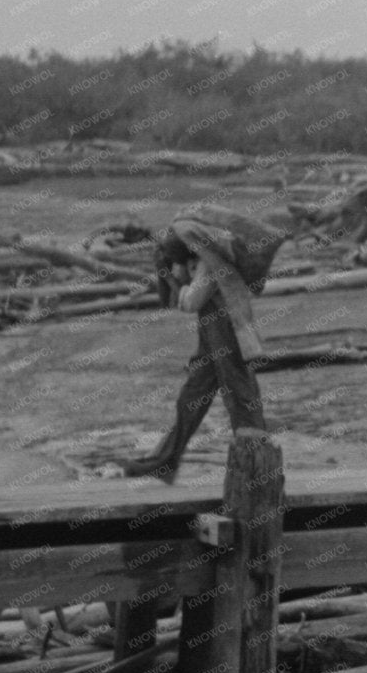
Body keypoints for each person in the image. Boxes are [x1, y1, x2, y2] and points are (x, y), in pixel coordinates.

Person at [121, 204, 289, 483]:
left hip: (224, 328)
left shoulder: (211, 265)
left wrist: (174, 283)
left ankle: (258, 470)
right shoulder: (200, 260)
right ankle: (165, 462)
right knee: (193, 396)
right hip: (212, 329)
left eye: (170, 252)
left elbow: (190, 302)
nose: (168, 257)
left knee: (240, 394)